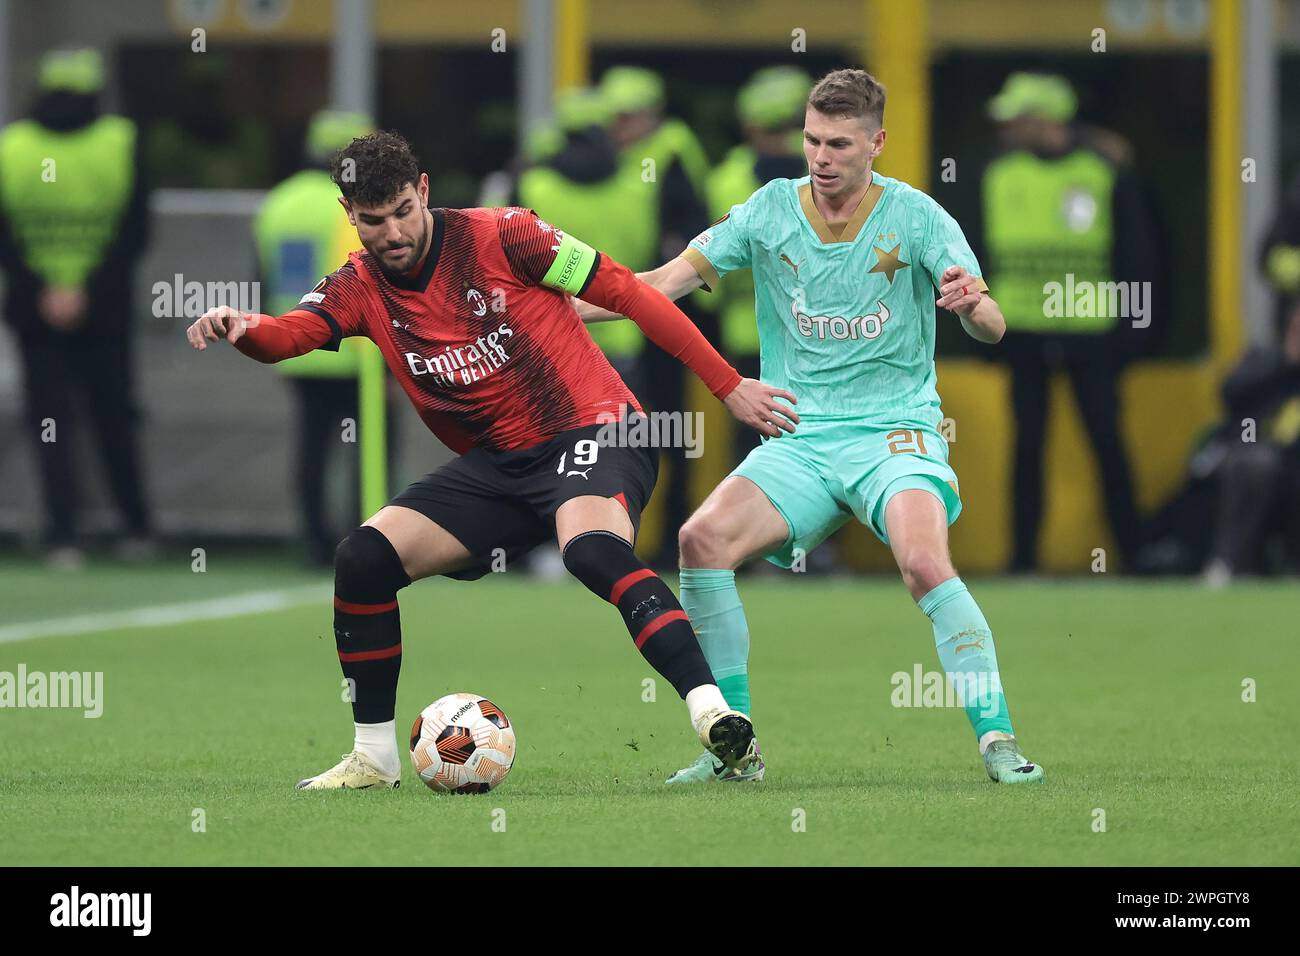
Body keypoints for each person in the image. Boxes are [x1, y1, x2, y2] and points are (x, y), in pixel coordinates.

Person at [187, 131, 798, 790]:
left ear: (423, 192)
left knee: (591, 549)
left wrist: (728, 384)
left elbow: (628, 292)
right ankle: (374, 757)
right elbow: (288, 337)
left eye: (402, 212)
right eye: (372, 220)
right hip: (502, 465)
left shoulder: (508, 235)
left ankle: (715, 718)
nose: (391, 232)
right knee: (361, 560)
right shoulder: (359, 287)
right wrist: (243, 328)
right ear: (350, 215)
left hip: (595, 428)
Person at [578, 69, 1045, 785]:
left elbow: (993, 326)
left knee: (923, 564)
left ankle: (999, 741)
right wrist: (549, 313)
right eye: (811, 140)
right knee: (700, 540)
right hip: (800, 436)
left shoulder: (918, 218)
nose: (821, 157)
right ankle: (735, 752)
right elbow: (664, 282)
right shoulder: (769, 211)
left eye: (838, 143)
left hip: (895, 434)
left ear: (876, 143)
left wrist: (972, 304)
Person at [979, 72, 1159, 572]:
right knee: (1027, 446)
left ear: (1046, 120)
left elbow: (1137, 256)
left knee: (1106, 439)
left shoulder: (1104, 172)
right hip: (1020, 333)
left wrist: (1133, 332)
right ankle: (1022, 561)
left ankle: (1135, 556)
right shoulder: (999, 173)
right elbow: (973, 253)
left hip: (1091, 331)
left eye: (1018, 118)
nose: (1008, 127)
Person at [0, 48, 153, 567]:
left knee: (50, 425)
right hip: (103, 308)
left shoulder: (11, 147)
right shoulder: (121, 141)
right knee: (114, 417)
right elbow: (135, 232)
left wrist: (44, 287)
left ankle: (64, 535)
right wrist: (86, 288)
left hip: (33, 307)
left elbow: (5, 237)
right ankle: (136, 529)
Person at [254, 109, 389, 565]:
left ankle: (313, 541)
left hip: (301, 346)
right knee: (370, 453)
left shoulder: (280, 202)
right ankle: (367, 541)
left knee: (312, 447)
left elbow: (262, 277)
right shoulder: (365, 203)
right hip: (363, 351)